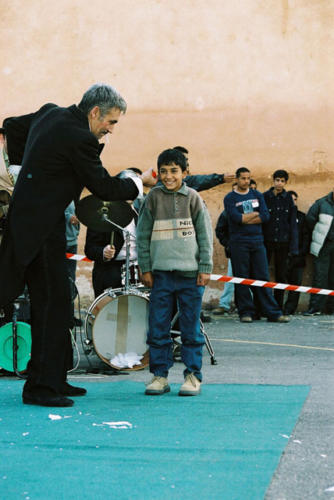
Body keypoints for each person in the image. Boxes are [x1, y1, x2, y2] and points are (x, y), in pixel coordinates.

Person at [0, 83, 156, 407]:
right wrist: (139, 183)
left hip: (42, 223)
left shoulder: (50, 113)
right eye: (110, 122)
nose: (109, 130)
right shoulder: (80, 138)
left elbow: (12, 126)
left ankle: (55, 378)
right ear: (95, 112)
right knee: (49, 306)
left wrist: (18, 168)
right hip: (40, 229)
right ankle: (40, 388)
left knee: (58, 304)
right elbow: (102, 185)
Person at [137, 148, 213, 396]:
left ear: (185, 172)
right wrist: (145, 267)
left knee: (190, 328)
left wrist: (205, 267)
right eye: (164, 171)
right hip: (161, 276)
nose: (169, 176)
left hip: (190, 276)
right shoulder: (152, 198)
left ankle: (192, 375)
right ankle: (160, 376)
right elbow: (142, 235)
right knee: (158, 327)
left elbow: (204, 235)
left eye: (174, 171)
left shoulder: (193, 197)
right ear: (158, 173)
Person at [224, 167, 289, 323]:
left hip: (257, 241)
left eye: (248, 178)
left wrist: (246, 218)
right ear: (237, 180)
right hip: (239, 243)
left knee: (262, 277)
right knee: (242, 278)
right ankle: (246, 312)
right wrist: (253, 215)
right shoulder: (230, 198)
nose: (246, 181)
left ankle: (272, 312)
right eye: (243, 178)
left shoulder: (257, 195)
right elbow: (235, 218)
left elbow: (265, 216)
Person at [84, 169, 141, 297]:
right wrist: (103, 252)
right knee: (110, 315)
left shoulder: (141, 213)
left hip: (138, 273)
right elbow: (89, 249)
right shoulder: (102, 215)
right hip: (110, 272)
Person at [263, 170, 298, 309]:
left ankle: (278, 306)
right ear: (273, 181)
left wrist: (293, 247)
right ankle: (262, 306)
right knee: (262, 275)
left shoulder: (288, 198)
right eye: (277, 180)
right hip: (267, 241)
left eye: (282, 181)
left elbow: (292, 224)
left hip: (283, 242)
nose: (279, 183)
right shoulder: (265, 197)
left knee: (281, 275)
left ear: (286, 183)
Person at [303, 188, 334, 315]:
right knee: (320, 277)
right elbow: (310, 220)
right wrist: (321, 234)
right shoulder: (321, 203)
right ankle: (315, 308)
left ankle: (331, 308)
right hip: (323, 245)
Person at [283, 191, 310, 315]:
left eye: (294, 199)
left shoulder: (302, 217)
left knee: (296, 284)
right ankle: (278, 307)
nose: (292, 202)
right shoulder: (281, 217)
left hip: (298, 256)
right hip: (282, 255)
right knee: (281, 282)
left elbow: (306, 237)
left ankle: (290, 309)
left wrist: (301, 252)